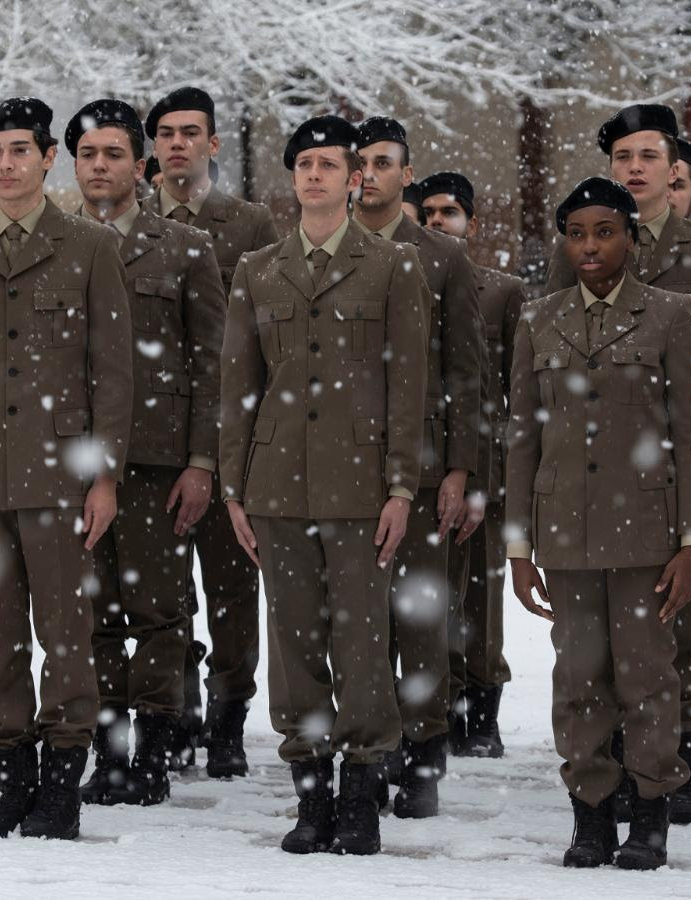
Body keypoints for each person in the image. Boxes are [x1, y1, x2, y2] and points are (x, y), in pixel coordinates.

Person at [0, 96, 134, 839]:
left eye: (19, 151)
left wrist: (103, 474)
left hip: (59, 475)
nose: (5, 165)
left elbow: (112, 372)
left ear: (47, 158)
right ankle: (12, 779)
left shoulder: (89, 245)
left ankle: (63, 785)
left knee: (66, 636)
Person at [218, 115, 430, 855]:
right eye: (303, 164)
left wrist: (402, 487)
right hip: (276, 484)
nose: (315, 175)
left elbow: (408, 386)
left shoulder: (393, 265)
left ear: (355, 178)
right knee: (295, 642)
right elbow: (237, 387)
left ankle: (363, 792)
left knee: (364, 641)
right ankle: (311, 793)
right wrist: (234, 489)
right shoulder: (258, 271)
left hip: (361, 482)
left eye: (329, 164)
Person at [548, 104, 691, 824]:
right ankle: (617, 770)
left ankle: (683, 757)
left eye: (647, 156)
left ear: (675, 169)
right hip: (598, 471)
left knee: (690, 616)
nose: (633, 167)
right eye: (622, 157)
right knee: (603, 641)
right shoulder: (582, 239)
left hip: (684, 463)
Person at [507, 176, 691, 870]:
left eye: (604, 231)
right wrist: (518, 544)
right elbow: (521, 437)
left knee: (647, 675)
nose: (589, 246)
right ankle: (590, 815)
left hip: (646, 533)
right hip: (564, 531)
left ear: (630, 236)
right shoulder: (538, 319)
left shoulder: (671, 314)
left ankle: (650, 814)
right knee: (578, 676)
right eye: (576, 234)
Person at [65, 97, 226, 802]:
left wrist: (201, 462)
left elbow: (212, 365)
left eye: (114, 154)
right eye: (88, 154)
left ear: (143, 164)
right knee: (90, 614)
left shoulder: (186, 250)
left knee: (161, 611)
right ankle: (111, 754)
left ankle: (154, 753)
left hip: (158, 462)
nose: (100, 167)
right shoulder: (57, 244)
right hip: (71, 459)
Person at [353, 116, 486, 817]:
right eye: (360, 162)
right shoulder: (325, 249)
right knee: (355, 620)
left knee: (421, 620)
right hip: (343, 467)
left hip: (428, 466)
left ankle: (425, 752)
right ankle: (368, 752)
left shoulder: (442, 258)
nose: (368, 173)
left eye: (383, 162)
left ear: (407, 174)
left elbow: (467, 374)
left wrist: (462, 469)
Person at [146, 86, 281, 772]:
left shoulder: (250, 223)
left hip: (235, 428)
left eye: (189, 132)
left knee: (232, 588)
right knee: (163, 591)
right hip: (155, 433)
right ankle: (173, 710)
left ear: (213, 144)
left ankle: (228, 713)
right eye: (165, 133)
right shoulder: (133, 223)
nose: (177, 144)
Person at [419, 170, 522, 758]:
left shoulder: (502, 292)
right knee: (432, 595)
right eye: (429, 212)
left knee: (479, 596)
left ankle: (481, 708)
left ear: (473, 224)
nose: (438, 221)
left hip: (483, 462)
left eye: (450, 212)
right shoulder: (405, 277)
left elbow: (514, 392)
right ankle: (440, 697)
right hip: (427, 462)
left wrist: (490, 468)